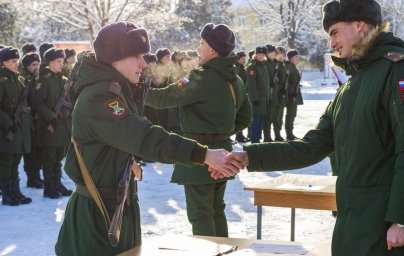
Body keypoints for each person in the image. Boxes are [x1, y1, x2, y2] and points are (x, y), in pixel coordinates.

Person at [213, 0, 404, 254]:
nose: (331, 43)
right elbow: (311, 146)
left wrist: (403, 219)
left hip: (387, 232)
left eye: (334, 33)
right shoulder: (350, 87)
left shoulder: (401, 71)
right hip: (353, 227)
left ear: (359, 26)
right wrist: (250, 155)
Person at [54, 21, 239, 256]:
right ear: (114, 58)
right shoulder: (100, 97)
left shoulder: (116, 91)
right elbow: (144, 137)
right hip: (98, 215)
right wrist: (203, 154)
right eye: (136, 56)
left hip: (116, 208)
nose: (144, 63)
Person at [146, 23, 252, 237]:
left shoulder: (201, 78)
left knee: (201, 215)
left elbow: (164, 98)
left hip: (200, 155)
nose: (198, 47)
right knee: (217, 209)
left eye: (202, 43)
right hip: (224, 152)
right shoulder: (235, 79)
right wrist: (222, 131)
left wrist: (135, 91)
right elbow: (245, 116)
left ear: (212, 49)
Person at [32, 47, 72, 198]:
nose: (62, 64)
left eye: (62, 61)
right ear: (49, 63)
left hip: (61, 126)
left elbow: (68, 102)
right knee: (48, 158)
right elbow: (37, 103)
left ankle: (58, 184)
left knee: (58, 159)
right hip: (49, 127)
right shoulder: (43, 80)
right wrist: (51, 116)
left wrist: (66, 112)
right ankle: (49, 187)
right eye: (58, 61)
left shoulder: (64, 80)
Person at [0, 47, 32, 206]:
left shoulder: (18, 79)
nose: (16, 64)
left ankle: (15, 192)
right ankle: (7, 194)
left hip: (18, 129)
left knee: (14, 163)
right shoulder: (2, 80)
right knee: (6, 164)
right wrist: (8, 123)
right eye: (13, 61)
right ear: (3, 62)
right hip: (5, 131)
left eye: (17, 61)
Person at [20, 52, 44, 189]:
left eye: (38, 64)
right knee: (30, 151)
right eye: (33, 65)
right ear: (27, 66)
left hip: (38, 119)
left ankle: (37, 175)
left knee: (38, 149)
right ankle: (31, 177)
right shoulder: (24, 79)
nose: (36, 67)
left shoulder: (38, 78)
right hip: (28, 120)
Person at [246, 46, 270, 143]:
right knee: (255, 119)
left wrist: (269, 97)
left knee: (260, 119)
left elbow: (267, 84)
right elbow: (252, 85)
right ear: (255, 55)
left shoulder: (264, 66)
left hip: (264, 99)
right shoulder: (252, 67)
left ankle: (257, 137)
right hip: (256, 99)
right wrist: (255, 98)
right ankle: (254, 138)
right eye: (259, 54)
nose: (261, 56)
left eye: (263, 54)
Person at [284, 49, 303, 140]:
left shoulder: (293, 67)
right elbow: (288, 82)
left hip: (294, 93)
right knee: (290, 114)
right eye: (295, 56)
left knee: (293, 114)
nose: (297, 58)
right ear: (291, 58)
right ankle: (289, 134)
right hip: (291, 95)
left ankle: (290, 132)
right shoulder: (290, 67)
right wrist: (292, 93)